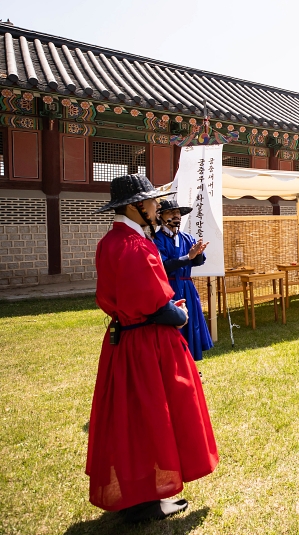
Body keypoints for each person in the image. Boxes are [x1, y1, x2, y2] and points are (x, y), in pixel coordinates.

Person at [87, 174, 218, 523]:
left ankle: (139, 492)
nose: (158, 206)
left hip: (125, 341)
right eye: (152, 202)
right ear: (135, 207)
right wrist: (178, 314)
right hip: (147, 344)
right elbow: (156, 306)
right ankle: (151, 494)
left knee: (132, 420)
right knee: (154, 419)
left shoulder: (110, 242)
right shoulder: (135, 245)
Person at [154, 199, 213, 364]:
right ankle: (172, 365)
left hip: (187, 287)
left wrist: (198, 253)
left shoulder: (187, 238)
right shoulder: (156, 240)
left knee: (191, 324)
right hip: (169, 287)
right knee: (173, 325)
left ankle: (190, 365)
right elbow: (164, 266)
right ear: (161, 216)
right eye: (171, 212)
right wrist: (189, 256)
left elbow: (198, 262)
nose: (176, 216)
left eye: (178, 213)